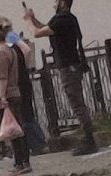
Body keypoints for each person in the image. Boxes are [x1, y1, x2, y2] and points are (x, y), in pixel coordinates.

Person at [24, 0, 96, 155]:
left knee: (76, 103)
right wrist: (34, 18)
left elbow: (37, 33)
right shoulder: (64, 19)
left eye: (56, 1)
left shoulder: (63, 19)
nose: (53, 4)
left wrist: (28, 20)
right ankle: (88, 138)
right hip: (70, 66)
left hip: (68, 67)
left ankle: (89, 139)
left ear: (63, 2)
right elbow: (46, 28)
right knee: (76, 101)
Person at [0, 20, 32, 176]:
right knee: (16, 129)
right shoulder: (9, 50)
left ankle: (21, 162)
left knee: (13, 130)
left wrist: (2, 97)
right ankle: (22, 161)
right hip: (12, 93)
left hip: (7, 95)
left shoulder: (2, 52)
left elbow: (3, 77)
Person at [0, 15, 47, 155]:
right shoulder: (8, 40)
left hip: (17, 80)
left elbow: (27, 50)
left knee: (24, 114)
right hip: (19, 78)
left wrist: (19, 67)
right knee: (25, 113)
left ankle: (36, 144)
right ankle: (34, 144)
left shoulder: (9, 37)